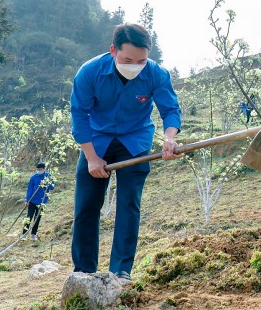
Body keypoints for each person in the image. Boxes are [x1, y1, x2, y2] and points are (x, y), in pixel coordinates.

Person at [70, 23, 182, 283]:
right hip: (96, 141)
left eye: (141, 60)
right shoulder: (90, 72)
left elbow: (170, 110)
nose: (134, 65)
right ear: (113, 51)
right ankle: (84, 271)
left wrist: (169, 138)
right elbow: (79, 114)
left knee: (129, 205)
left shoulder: (156, 74)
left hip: (135, 141)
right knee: (86, 206)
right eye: (128, 60)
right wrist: (91, 157)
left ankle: (121, 271)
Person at [23, 162, 54, 241]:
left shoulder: (48, 176)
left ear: (44, 169)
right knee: (29, 217)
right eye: (37, 169)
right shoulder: (33, 177)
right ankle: (24, 234)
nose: (38, 171)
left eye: (40, 169)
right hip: (32, 201)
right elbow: (29, 189)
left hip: (42, 202)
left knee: (37, 218)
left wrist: (46, 182)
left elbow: (51, 187)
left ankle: (33, 234)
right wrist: (27, 200)